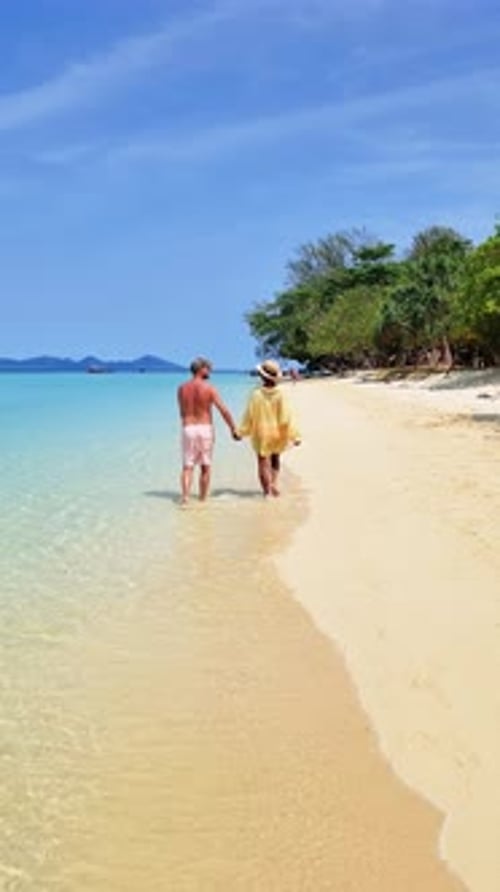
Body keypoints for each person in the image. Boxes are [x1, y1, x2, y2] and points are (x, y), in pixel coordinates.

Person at [177, 357, 239, 504]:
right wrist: (233, 428)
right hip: (205, 429)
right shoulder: (209, 388)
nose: (210, 371)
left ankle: (185, 497)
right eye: (209, 368)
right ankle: (203, 500)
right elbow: (223, 410)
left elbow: (182, 412)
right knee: (205, 466)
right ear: (201, 369)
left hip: (188, 428)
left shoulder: (181, 388)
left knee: (187, 466)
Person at [237, 359, 300, 497]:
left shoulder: (256, 394)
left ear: (261, 376)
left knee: (262, 461)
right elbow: (285, 417)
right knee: (275, 458)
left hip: (261, 433)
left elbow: (249, 415)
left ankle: (266, 492)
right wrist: (294, 436)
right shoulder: (280, 395)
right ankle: (274, 484)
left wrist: (241, 432)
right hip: (277, 432)